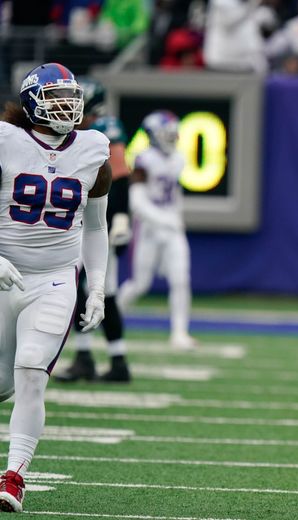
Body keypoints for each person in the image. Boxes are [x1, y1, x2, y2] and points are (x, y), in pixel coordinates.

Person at [0, 63, 111, 512]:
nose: (66, 105)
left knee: (31, 370)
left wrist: (98, 286)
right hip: (3, 272)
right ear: (30, 103)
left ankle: (13, 477)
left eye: (71, 96)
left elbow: (96, 225)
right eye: (55, 96)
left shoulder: (93, 147)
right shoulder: (6, 141)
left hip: (56, 277)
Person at [55, 77, 133, 383]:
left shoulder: (105, 128)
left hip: (101, 221)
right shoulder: (68, 130)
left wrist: (122, 217)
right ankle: (89, 356)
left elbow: (121, 176)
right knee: (77, 288)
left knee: (103, 290)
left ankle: (115, 360)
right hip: (77, 219)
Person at [116, 110, 196, 350]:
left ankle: (179, 333)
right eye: (166, 134)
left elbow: (175, 194)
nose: (172, 138)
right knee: (140, 284)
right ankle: (111, 316)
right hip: (149, 229)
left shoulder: (178, 158)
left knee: (181, 280)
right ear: (153, 135)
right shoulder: (144, 159)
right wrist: (165, 221)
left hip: (172, 228)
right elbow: (137, 202)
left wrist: (175, 219)